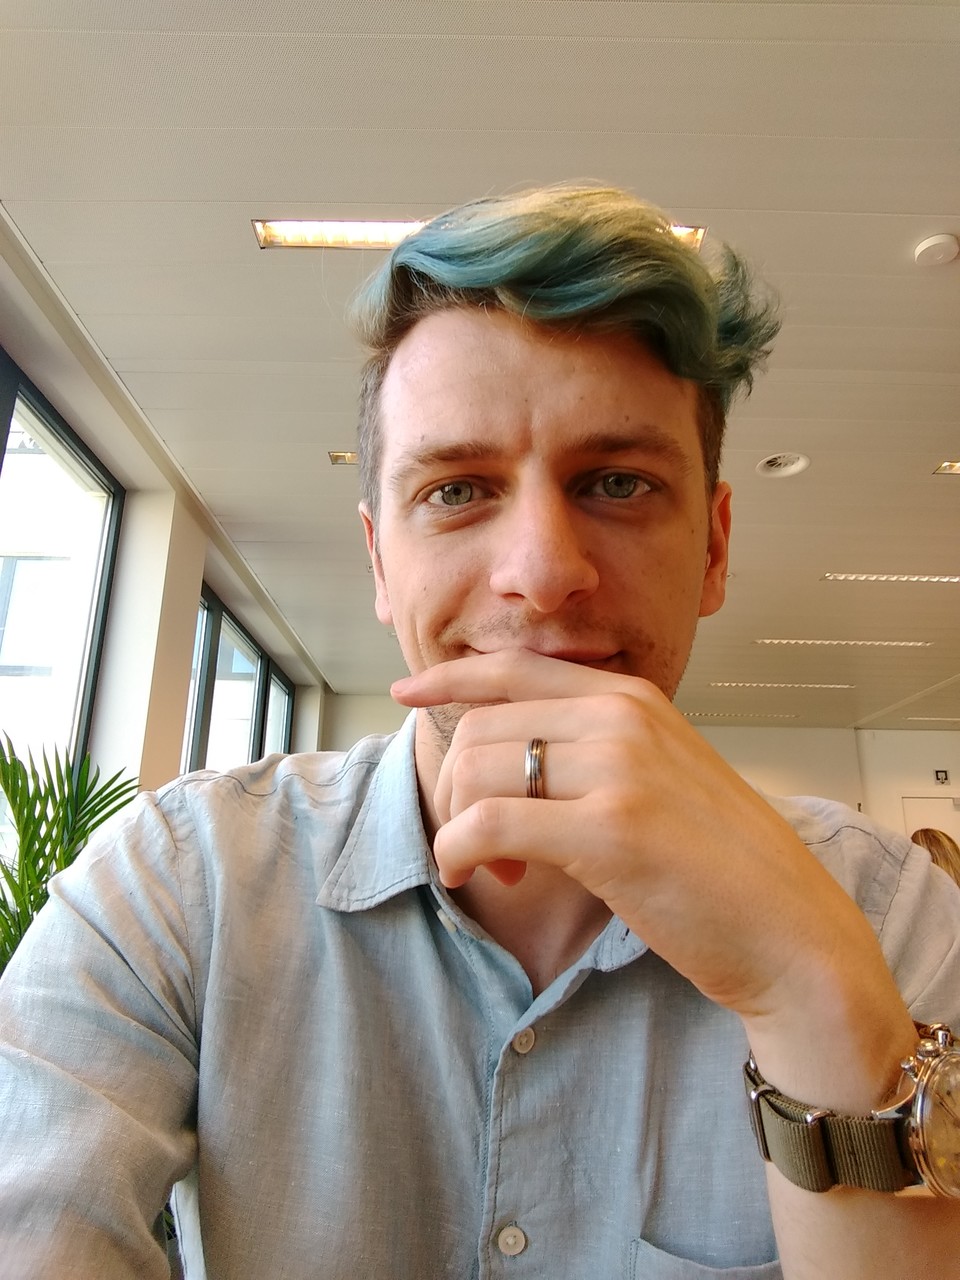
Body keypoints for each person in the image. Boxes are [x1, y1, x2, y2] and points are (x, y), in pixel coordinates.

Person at [2, 185, 960, 1279]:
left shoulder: (888, 915)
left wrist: (806, 985)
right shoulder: (181, 887)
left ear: (713, 549)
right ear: (380, 560)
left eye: (618, 482)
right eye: (457, 490)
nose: (543, 573)